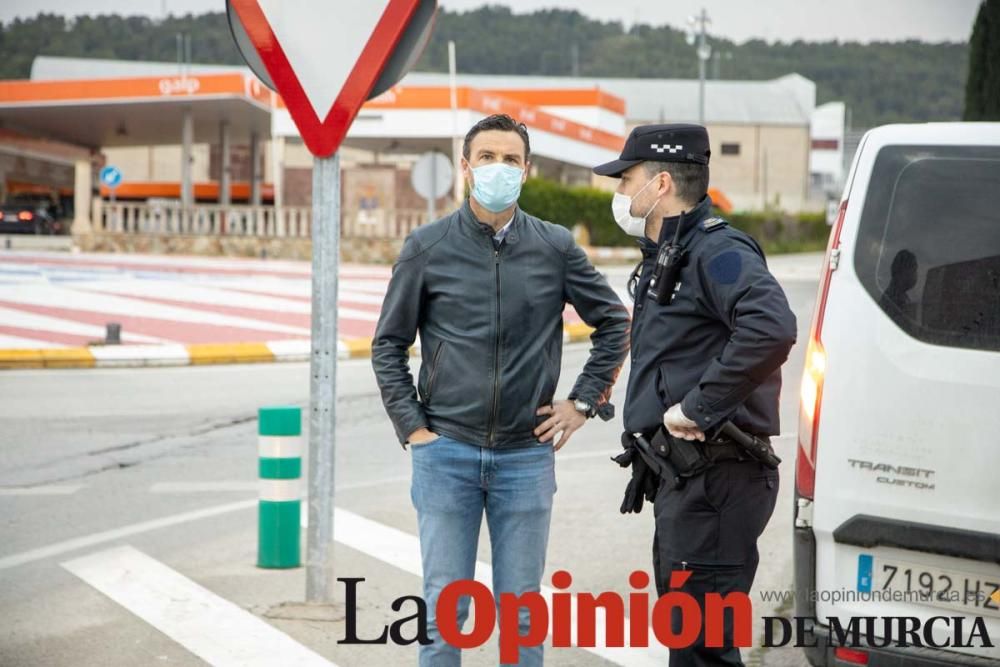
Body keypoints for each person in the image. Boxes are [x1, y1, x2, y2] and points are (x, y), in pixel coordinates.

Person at [372, 113, 630, 666]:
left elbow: (616, 324)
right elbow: (387, 345)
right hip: (446, 453)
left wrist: (584, 401)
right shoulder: (427, 247)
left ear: (527, 170)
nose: (499, 168)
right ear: (466, 168)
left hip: (524, 457)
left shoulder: (555, 247)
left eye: (510, 159)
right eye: (487, 157)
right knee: (445, 618)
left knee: (521, 619)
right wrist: (414, 429)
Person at [595, 123, 797, 666]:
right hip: (691, 479)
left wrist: (697, 407)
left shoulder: (717, 250)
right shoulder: (674, 250)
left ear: (659, 184)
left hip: (718, 475)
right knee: (692, 642)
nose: (618, 192)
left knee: (703, 651)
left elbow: (771, 327)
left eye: (625, 179)